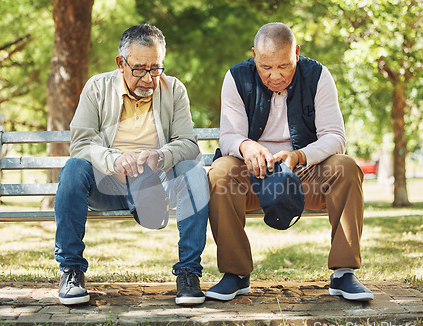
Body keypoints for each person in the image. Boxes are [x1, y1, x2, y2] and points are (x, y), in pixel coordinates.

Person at [206, 22, 373, 302]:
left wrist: (299, 156)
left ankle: (344, 273)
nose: (274, 76)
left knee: (345, 167)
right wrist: (246, 146)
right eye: (265, 67)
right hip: (252, 180)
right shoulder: (236, 77)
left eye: (283, 66)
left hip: (303, 175)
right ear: (254, 56)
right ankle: (235, 274)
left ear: (296, 52)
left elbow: (335, 137)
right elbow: (228, 137)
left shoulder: (318, 76)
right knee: (221, 171)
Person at [54, 24, 209, 306]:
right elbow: (81, 143)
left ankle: (188, 274)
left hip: (156, 187)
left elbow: (188, 144)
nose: (149, 78)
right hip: (108, 185)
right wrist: (115, 159)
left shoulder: (173, 89)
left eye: (156, 68)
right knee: (74, 168)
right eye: (139, 69)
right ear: (121, 63)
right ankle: (71, 270)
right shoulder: (97, 88)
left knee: (194, 171)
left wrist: (161, 156)